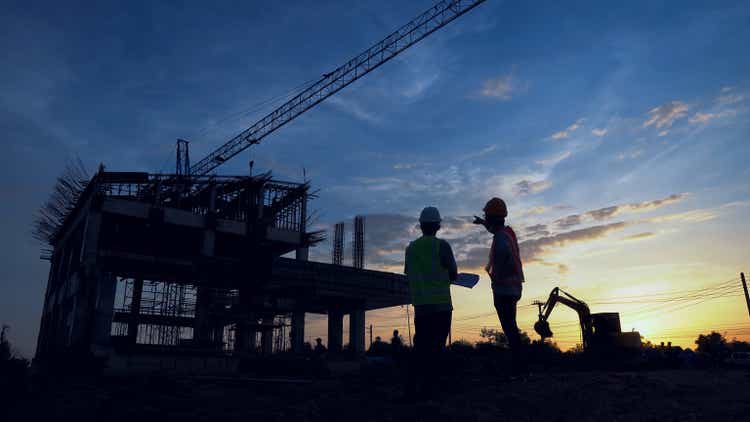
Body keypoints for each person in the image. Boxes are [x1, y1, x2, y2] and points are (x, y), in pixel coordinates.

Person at [404, 206, 458, 397]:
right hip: (441, 306)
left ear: (421, 225)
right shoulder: (442, 246)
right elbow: (453, 273)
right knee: (437, 347)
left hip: (421, 307)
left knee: (421, 347)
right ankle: (431, 388)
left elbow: (408, 274)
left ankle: (413, 387)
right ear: (438, 225)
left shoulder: (411, 249)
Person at [479, 197, 526, 375]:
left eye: (487, 217)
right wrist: (483, 223)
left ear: (492, 217)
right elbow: (494, 229)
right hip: (514, 288)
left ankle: (519, 368)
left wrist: (497, 277)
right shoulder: (507, 232)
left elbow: (504, 254)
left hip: (503, 290)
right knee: (511, 327)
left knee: (510, 329)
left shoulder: (500, 239)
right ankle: (519, 366)